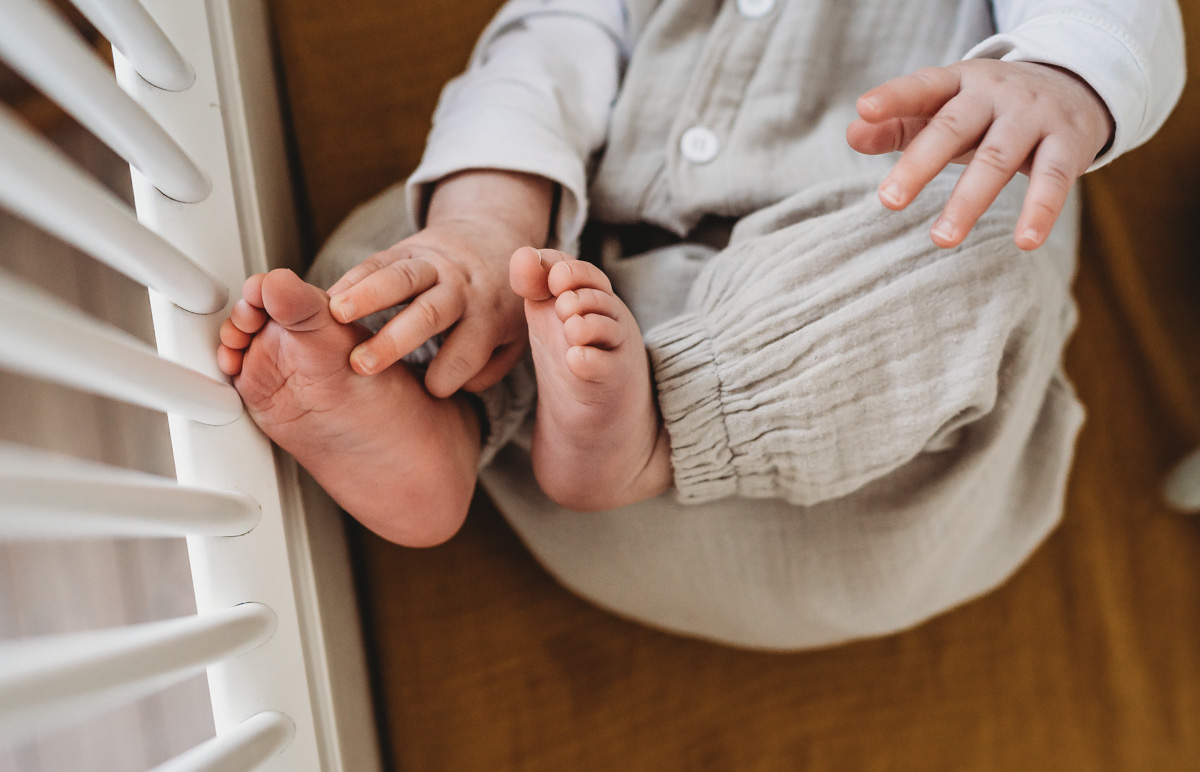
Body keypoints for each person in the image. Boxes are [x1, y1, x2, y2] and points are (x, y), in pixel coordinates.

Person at [217, 0, 1185, 649]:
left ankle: (659, 427)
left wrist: (1062, 80)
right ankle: (442, 411)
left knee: (973, 249)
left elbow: (1112, 18)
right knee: (435, 233)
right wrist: (485, 226)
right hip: (592, 328)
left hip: (870, 453)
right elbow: (543, 55)